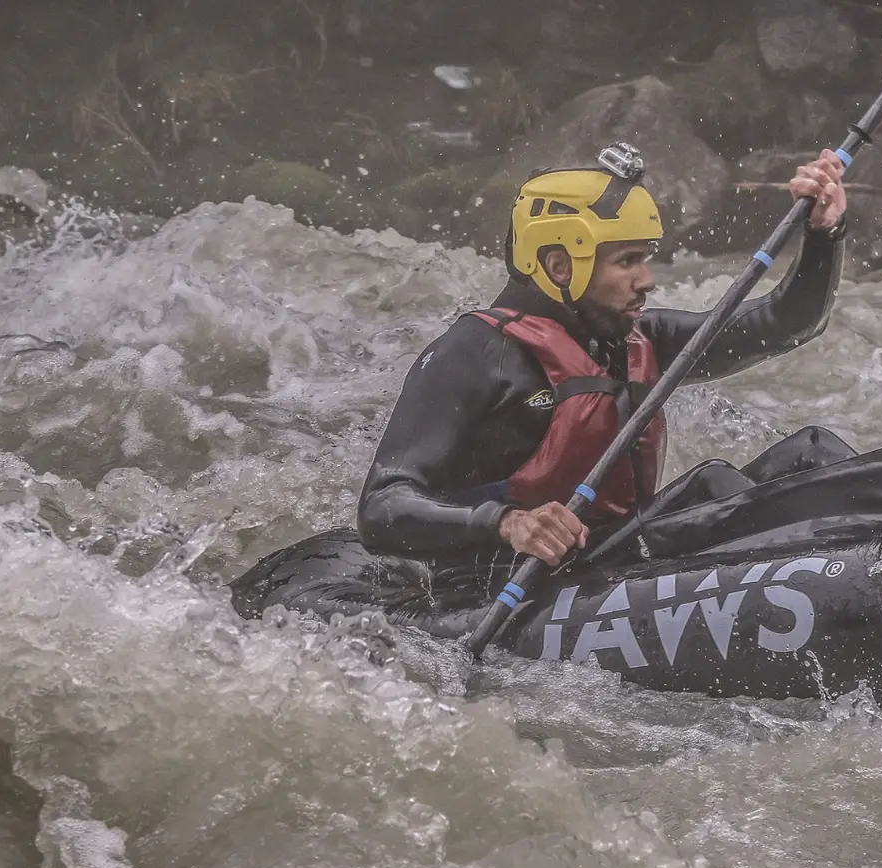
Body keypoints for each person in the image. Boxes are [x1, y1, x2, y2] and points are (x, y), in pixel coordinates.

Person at [356, 142, 848, 575]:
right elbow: (381, 506)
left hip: (616, 556)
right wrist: (509, 523)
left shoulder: (639, 339)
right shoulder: (476, 353)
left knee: (814, 453)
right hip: (506, 580)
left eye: (646, 257)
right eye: (627, 261)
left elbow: (784, 324)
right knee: (714, 483)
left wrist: (824, 234)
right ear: (559, 264)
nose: (648, 279)